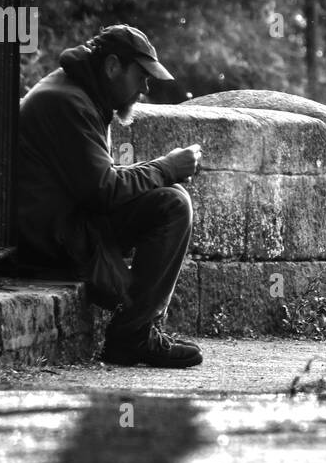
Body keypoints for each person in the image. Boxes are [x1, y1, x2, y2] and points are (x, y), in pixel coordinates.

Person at [16, 25, 204, 367]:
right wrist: (165, 167)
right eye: (142, 76)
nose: (145, 88)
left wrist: (163, 171)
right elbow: (103, 191)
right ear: (113, 67)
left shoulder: (80, 93)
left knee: (169, 197)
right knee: (173, 204)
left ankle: (138, 329)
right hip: (51, 239)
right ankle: (132, 336)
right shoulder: (67, 102)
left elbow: (99, 184)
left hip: (68, 223)